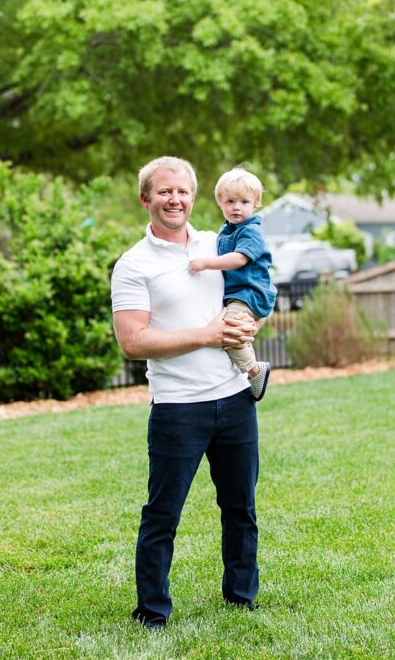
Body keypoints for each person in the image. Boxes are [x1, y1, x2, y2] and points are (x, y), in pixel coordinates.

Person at [111, 155, 263, 629]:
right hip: (178, 408)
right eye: (164, 191)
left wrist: (251, 320)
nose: (174, 199)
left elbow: (252, 287)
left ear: (194, 197)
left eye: (182, 191)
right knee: (162, 514)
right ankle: (152, 610)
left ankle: (242, 598)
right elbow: (132, 342)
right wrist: (208, 335)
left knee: (241, 508)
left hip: (235, 399)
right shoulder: (134, 265)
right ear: (146, 199)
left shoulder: (219, 242)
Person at [188, 166, 276, 401]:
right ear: (220, 203)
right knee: (233, 330)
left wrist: (206, 263)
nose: (237, 207)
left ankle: (255, 371)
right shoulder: (226, 231)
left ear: (255, 204)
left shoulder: (251, 232)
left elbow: (239, 259)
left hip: (250, 294)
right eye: (230, 201)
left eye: (244, 201)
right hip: (239, 294)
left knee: (228, 332)